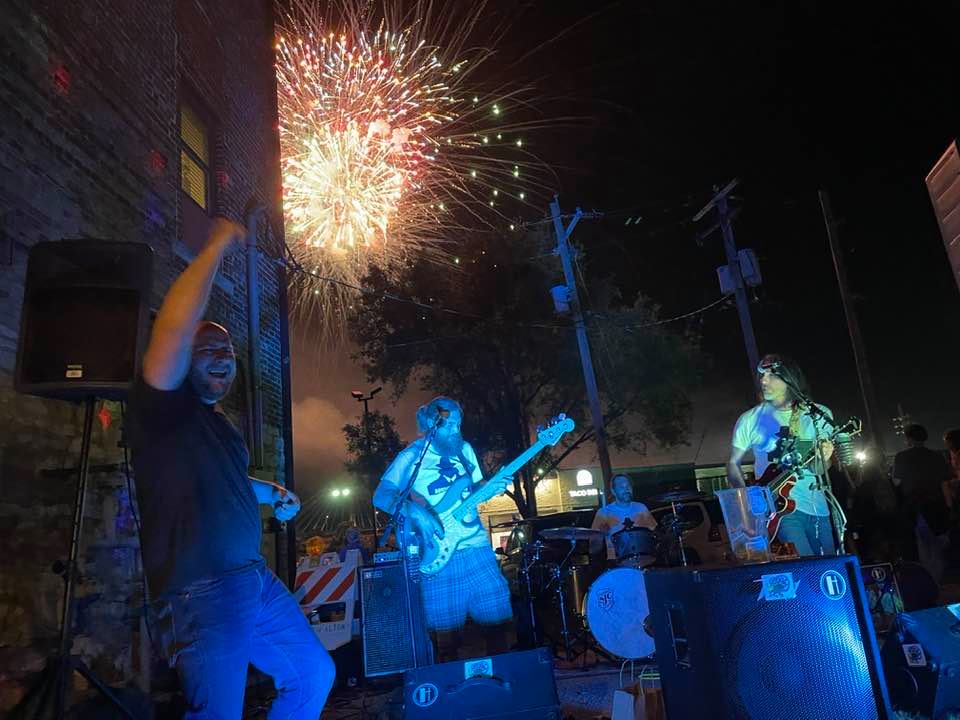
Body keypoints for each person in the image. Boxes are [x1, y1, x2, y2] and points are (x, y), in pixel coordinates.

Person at [127, 218, 333, 718]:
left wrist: (272, 492)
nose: (223, 359)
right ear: (181, 362)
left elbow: (231, 482)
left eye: (228, 353)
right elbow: (173, 330)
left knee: (312, 674)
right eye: (208, 351)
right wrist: (217, 246)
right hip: (201, 589)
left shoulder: (214, 425)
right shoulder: (163, 407)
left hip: (252, 580)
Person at [373, 397, 512, 658]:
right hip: (438, 552)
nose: (455, 431)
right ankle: (448, 688)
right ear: (430, 424)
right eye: (449, 426)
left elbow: (476, 489)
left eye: (459, 425)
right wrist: (413, 510)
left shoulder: (465, 450)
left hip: (476, 545)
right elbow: (381, 495)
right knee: (445, 634)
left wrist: (493, 488)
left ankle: (500, 680)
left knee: (497, 615)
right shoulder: (412, 456)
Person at [727, 354, 837, 556]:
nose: (763, 380)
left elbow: (817, 469)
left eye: (771, 375)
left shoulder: (818, 414)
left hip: (818, 507)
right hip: (780, 509)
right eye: (762, 375)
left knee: (829, 566)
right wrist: (747, 497)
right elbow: (733, 464)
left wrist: (823, 459)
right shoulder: (750, 419)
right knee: (804, 565)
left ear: (789, 379)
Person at [893, 424, 952, 583]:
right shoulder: (936, 456)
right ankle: (941, 577)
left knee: (924, 546)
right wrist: (949, 506)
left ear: (909, 438)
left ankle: (931, 581)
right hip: (937, 505)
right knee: (939, 544)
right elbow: (944, 483)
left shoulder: (902, 457)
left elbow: (897, 482)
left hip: (915, 506)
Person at [589, 474, 657, 560]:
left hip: (644, 558)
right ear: (613, 491)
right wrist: (600, 536)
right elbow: (593, 549)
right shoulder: (603, 513)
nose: (627, 489)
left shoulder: (641, 508)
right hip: (616, 562)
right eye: (621, 487)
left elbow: (654, 535)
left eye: (628, 486)